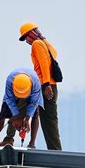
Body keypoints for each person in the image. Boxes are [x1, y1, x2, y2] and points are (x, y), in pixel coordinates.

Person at [19, 22, 62, 150]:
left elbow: (44, 65)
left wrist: (46, 84)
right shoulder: (46, 44)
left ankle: (55, 151)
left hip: (45, 86)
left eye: (26, 37)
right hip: (50, 85)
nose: (26, 40)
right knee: (49, 119)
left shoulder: (37, 44)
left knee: (48, 121)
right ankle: (53, 149)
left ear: (31, 33)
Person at [0, 68, 43, 149]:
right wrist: (16, 116)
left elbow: (34, 103)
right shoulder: (10, 80)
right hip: (12, 95)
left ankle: (32, 144)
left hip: (31, 96)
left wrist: (26, 119)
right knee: (2, 114)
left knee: (35, 114)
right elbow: (9, 100)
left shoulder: (36, 84)